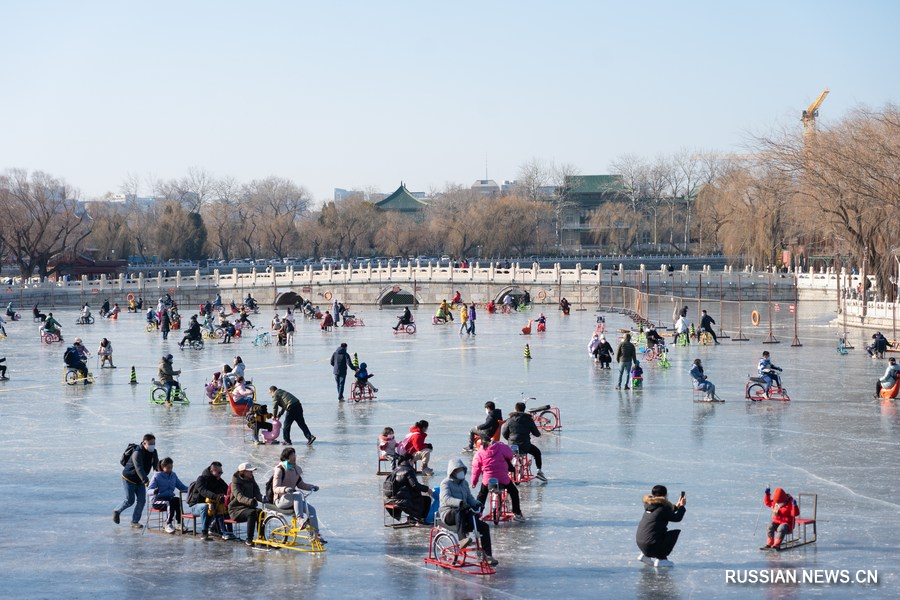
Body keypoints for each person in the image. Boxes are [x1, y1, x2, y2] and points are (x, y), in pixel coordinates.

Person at [440, 458, 497, 566]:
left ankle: (488, 555)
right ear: (453, 471)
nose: (461, 472)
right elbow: (446, 498)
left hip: (463, 513)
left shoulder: (464, 483)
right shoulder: (446, 483)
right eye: (458, 470)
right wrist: (460, 502)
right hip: (448, 513)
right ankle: (462, 539)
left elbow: (469, 498)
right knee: (459, 510)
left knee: (484, 527)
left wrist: (477, 503)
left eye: (462, 469)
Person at [272, 447, 324, 542]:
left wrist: (311, 487)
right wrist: (285, 489)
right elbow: (275, 488)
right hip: (281, 499)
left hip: (293, 499)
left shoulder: (295, 469)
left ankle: (315, 534)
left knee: (311, 510)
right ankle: (300, 520)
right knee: (297, 495)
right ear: (287, 457)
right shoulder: (280, 470)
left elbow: (300, 484)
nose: (295, 457)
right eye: (292, 455)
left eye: (295, 454)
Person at [471, 436, 524, 521]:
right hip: (503, 478)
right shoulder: (500, 446)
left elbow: (475, 469)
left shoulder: (479, 453)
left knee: (482, 495)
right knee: (514, 492)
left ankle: (477, 514)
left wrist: (474, 482)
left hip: (487, 480)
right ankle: (517, 513)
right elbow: (510, 454)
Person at [114, 433, 159, 529]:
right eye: (150, 443)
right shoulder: (137, 452)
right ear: (144, 443)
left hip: (140, 480)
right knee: (130, 500)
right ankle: (117, 511)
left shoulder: (154, 452)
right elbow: (139, 468)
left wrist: (160, 477)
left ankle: (135, 521)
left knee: (142, 501)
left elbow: (156, 467)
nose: (153, 445)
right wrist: (146, 481)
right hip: (129, 478)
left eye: (154, 443)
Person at [636, 485, 686, 568]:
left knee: (653, 534)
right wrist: (682, 507)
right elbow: (677, 518)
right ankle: (661, 560)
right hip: (652, 544)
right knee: (673, 534)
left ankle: (645, 555)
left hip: (641, 543)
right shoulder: (663, 509)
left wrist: (677, 506)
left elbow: (663, 512)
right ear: (665, 495)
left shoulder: (649, 505)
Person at [187, 461, 234, 541]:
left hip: (211, 504)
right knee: (205, 506)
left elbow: (227, 490)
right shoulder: (201, 479)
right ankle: (204, 532)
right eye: (219, 472)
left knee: (223, 507)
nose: (220, 474)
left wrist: (232, 496)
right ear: (212, 471)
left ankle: (223, 530)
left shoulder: (218, 479)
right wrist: (215, 497)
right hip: (195, 506)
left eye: (221, 472)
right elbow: (203, 491)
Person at [502, 401, 547, 482]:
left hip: (512, 446)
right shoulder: (528, 420)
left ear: (515, 409)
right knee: (537, 452)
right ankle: (539, 471)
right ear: (524, 409)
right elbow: (536, 433)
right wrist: (538, 434)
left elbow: (504, 433)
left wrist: (509, 440)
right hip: (525, 446)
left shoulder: (509, 420)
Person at [384, 453, 433, 523]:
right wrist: (427, 489)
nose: (413, 463)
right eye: (413, 461)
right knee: (426, 499)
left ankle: (413, 518)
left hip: (392, 498)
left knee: (418, 497)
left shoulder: (396, 469)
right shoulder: (409, 470)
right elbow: (415, 485)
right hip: (403, 500)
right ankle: (419, 519)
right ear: (410, 460)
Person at [148, 457, 189, 534]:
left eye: (171, 467)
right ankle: (168, 523)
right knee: (169, 502)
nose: (170, 469)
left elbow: (181, 486)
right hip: (157, 501)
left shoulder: (173, 475)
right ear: (162, 467)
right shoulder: (157, 476)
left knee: (177, 500)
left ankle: (179, 523)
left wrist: (191, 489)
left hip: (169, 498)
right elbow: (149, 490)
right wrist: (154, 491)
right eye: (168, 468)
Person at [228, 462, 264, 546]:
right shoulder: (235, 483)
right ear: (243, 472)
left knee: (261, 512)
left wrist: (264, 500)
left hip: (248, 507)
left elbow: (257, 492)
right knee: (252, 513)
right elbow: (239, 497)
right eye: (249, 471)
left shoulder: (251, 480)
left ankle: (261, 537)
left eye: (252, 471)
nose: (252, 473)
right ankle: (249, 539)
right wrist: (250, 501)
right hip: (236, 510)